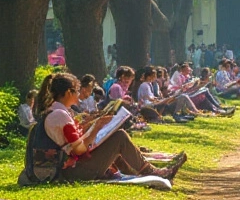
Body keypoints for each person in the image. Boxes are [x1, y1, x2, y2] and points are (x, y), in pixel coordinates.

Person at [21, 73, 184, 185]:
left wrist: (96, 126)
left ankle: (143, 171)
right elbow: (78, 150)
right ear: (67, 92)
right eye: (76, 91)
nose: (79, 94)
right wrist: (97, 127)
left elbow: (74, 141)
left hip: (68, 167)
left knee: (113, 137)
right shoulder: (59, 115)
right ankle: (152, 172)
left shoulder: (58, 112)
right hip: (66, 172)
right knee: (119, 137)